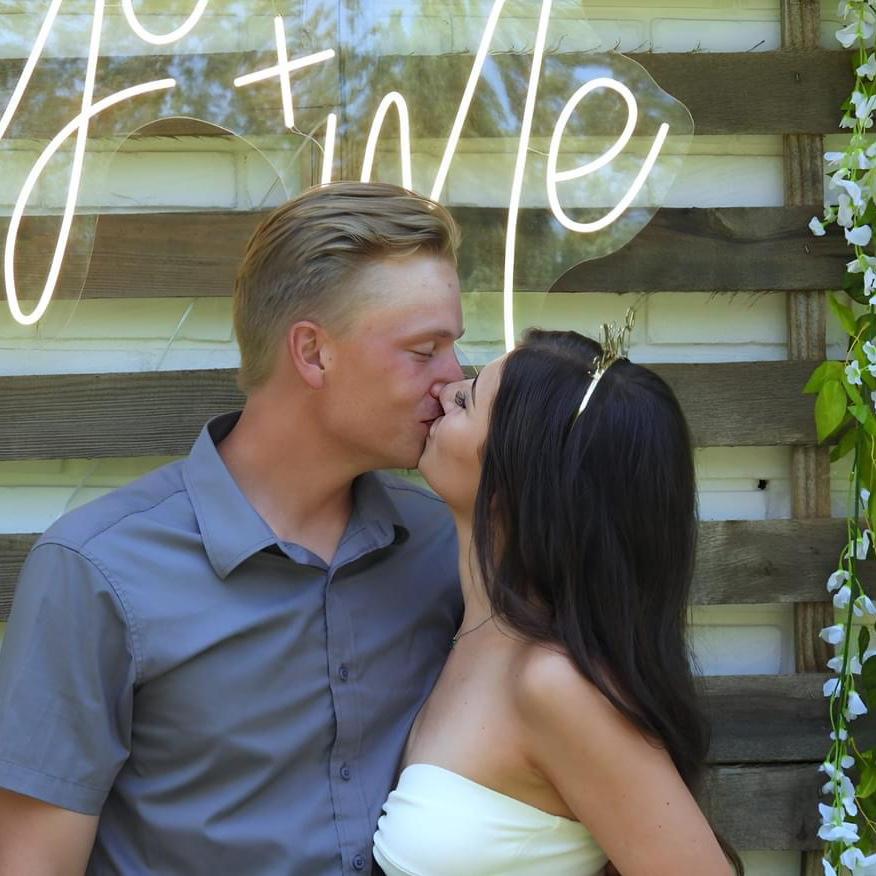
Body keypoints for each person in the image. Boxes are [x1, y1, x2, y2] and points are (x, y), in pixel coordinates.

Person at [0, 181, 466, 874]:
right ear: (312, 353)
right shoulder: (97, 571)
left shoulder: (447, 544)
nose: (455, 380)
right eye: (425, 350)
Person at [372, 325, 743, 876]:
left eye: (468, 400)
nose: (446, 390)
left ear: (516, 480)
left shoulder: (555, 684)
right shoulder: (463, 627)